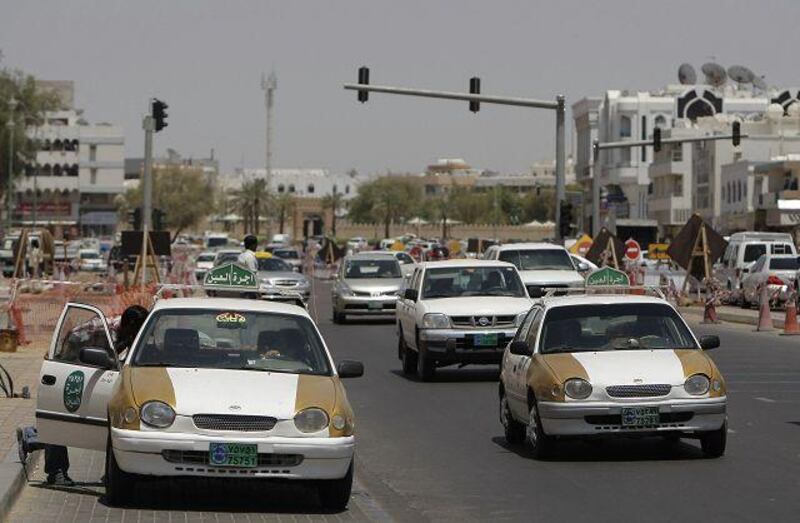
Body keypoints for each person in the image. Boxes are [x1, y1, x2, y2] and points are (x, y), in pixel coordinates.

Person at [17, 304, 150, 486]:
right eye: (137, 331)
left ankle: (32, 437)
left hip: (91, 364)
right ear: (130, 325)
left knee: (89, 425)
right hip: (70, 362)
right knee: (62, 419)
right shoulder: (103, 332)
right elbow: (103, 356)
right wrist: (123, 345)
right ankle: (56, 472)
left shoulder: (128, 329)